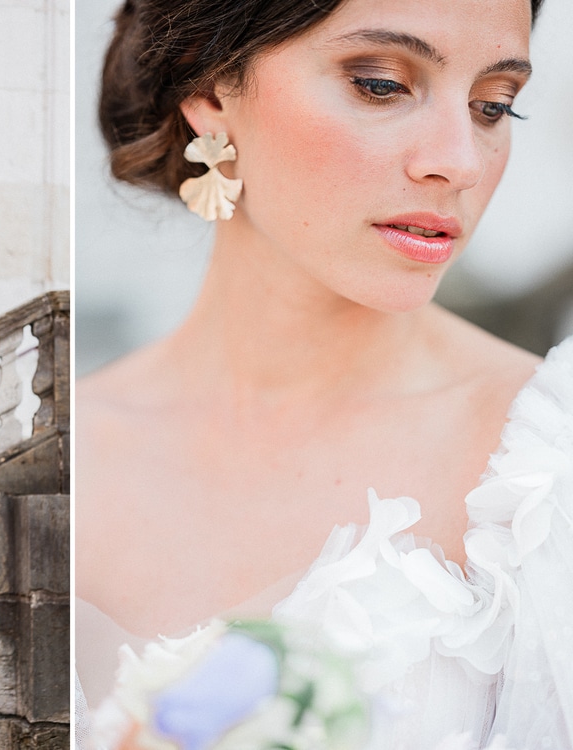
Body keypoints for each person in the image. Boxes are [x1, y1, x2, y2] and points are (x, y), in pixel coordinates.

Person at [75, 0, 571, 748]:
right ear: (210, 95)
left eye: (493, 107)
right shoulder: (51, 463)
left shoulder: (545, 470)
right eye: (379, 83)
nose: (460, 160)